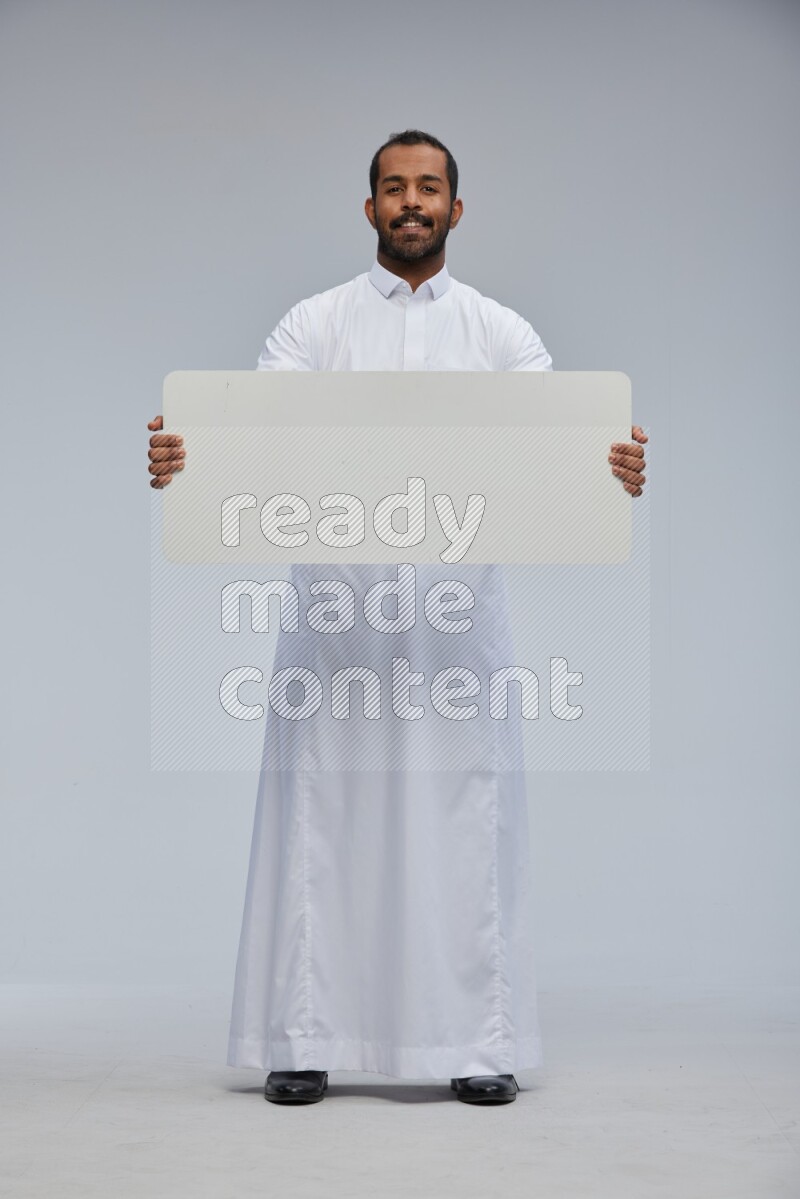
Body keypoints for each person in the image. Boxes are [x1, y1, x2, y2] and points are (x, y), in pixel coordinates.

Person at [148, 130, 647, 1107]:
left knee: (464, 827)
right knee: (320, 824)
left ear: (456, 208)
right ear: (369, 206)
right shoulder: (311, 326)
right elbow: (255, 445)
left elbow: (554, 458)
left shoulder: (502, 336)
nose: (410, 201)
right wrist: (190, 460)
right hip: (335, 623)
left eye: (427, 187)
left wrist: (609, 468)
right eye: (392, 187)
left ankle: (476, 1043)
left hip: (454, 628)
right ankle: (303, 1037)